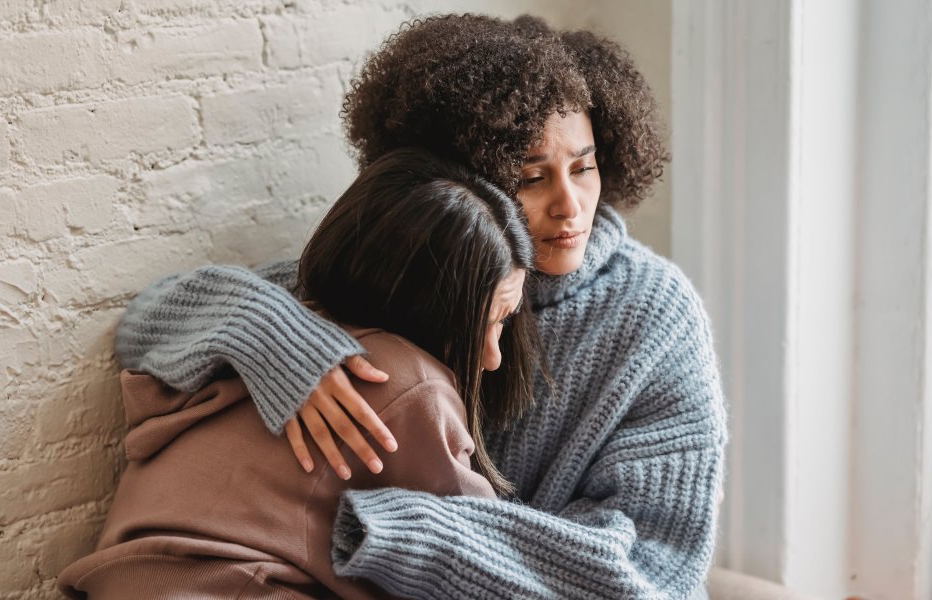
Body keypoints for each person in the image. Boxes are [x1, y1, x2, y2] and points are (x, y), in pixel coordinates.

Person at [114, 13, 727, 600]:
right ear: (462, 180)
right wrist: (277, 340)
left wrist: (415, 532)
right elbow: (146, 324)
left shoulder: (655, 316)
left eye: (584, 168)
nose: (571, 206)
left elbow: (654, 568)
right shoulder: (419, 265)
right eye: (531, 177)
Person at [57, 149, 541, 599]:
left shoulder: (300, 307)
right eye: (490, 321)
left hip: (127, 573)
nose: (494, 357)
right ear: (429, 305)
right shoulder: (407, 381)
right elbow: (479, 558)